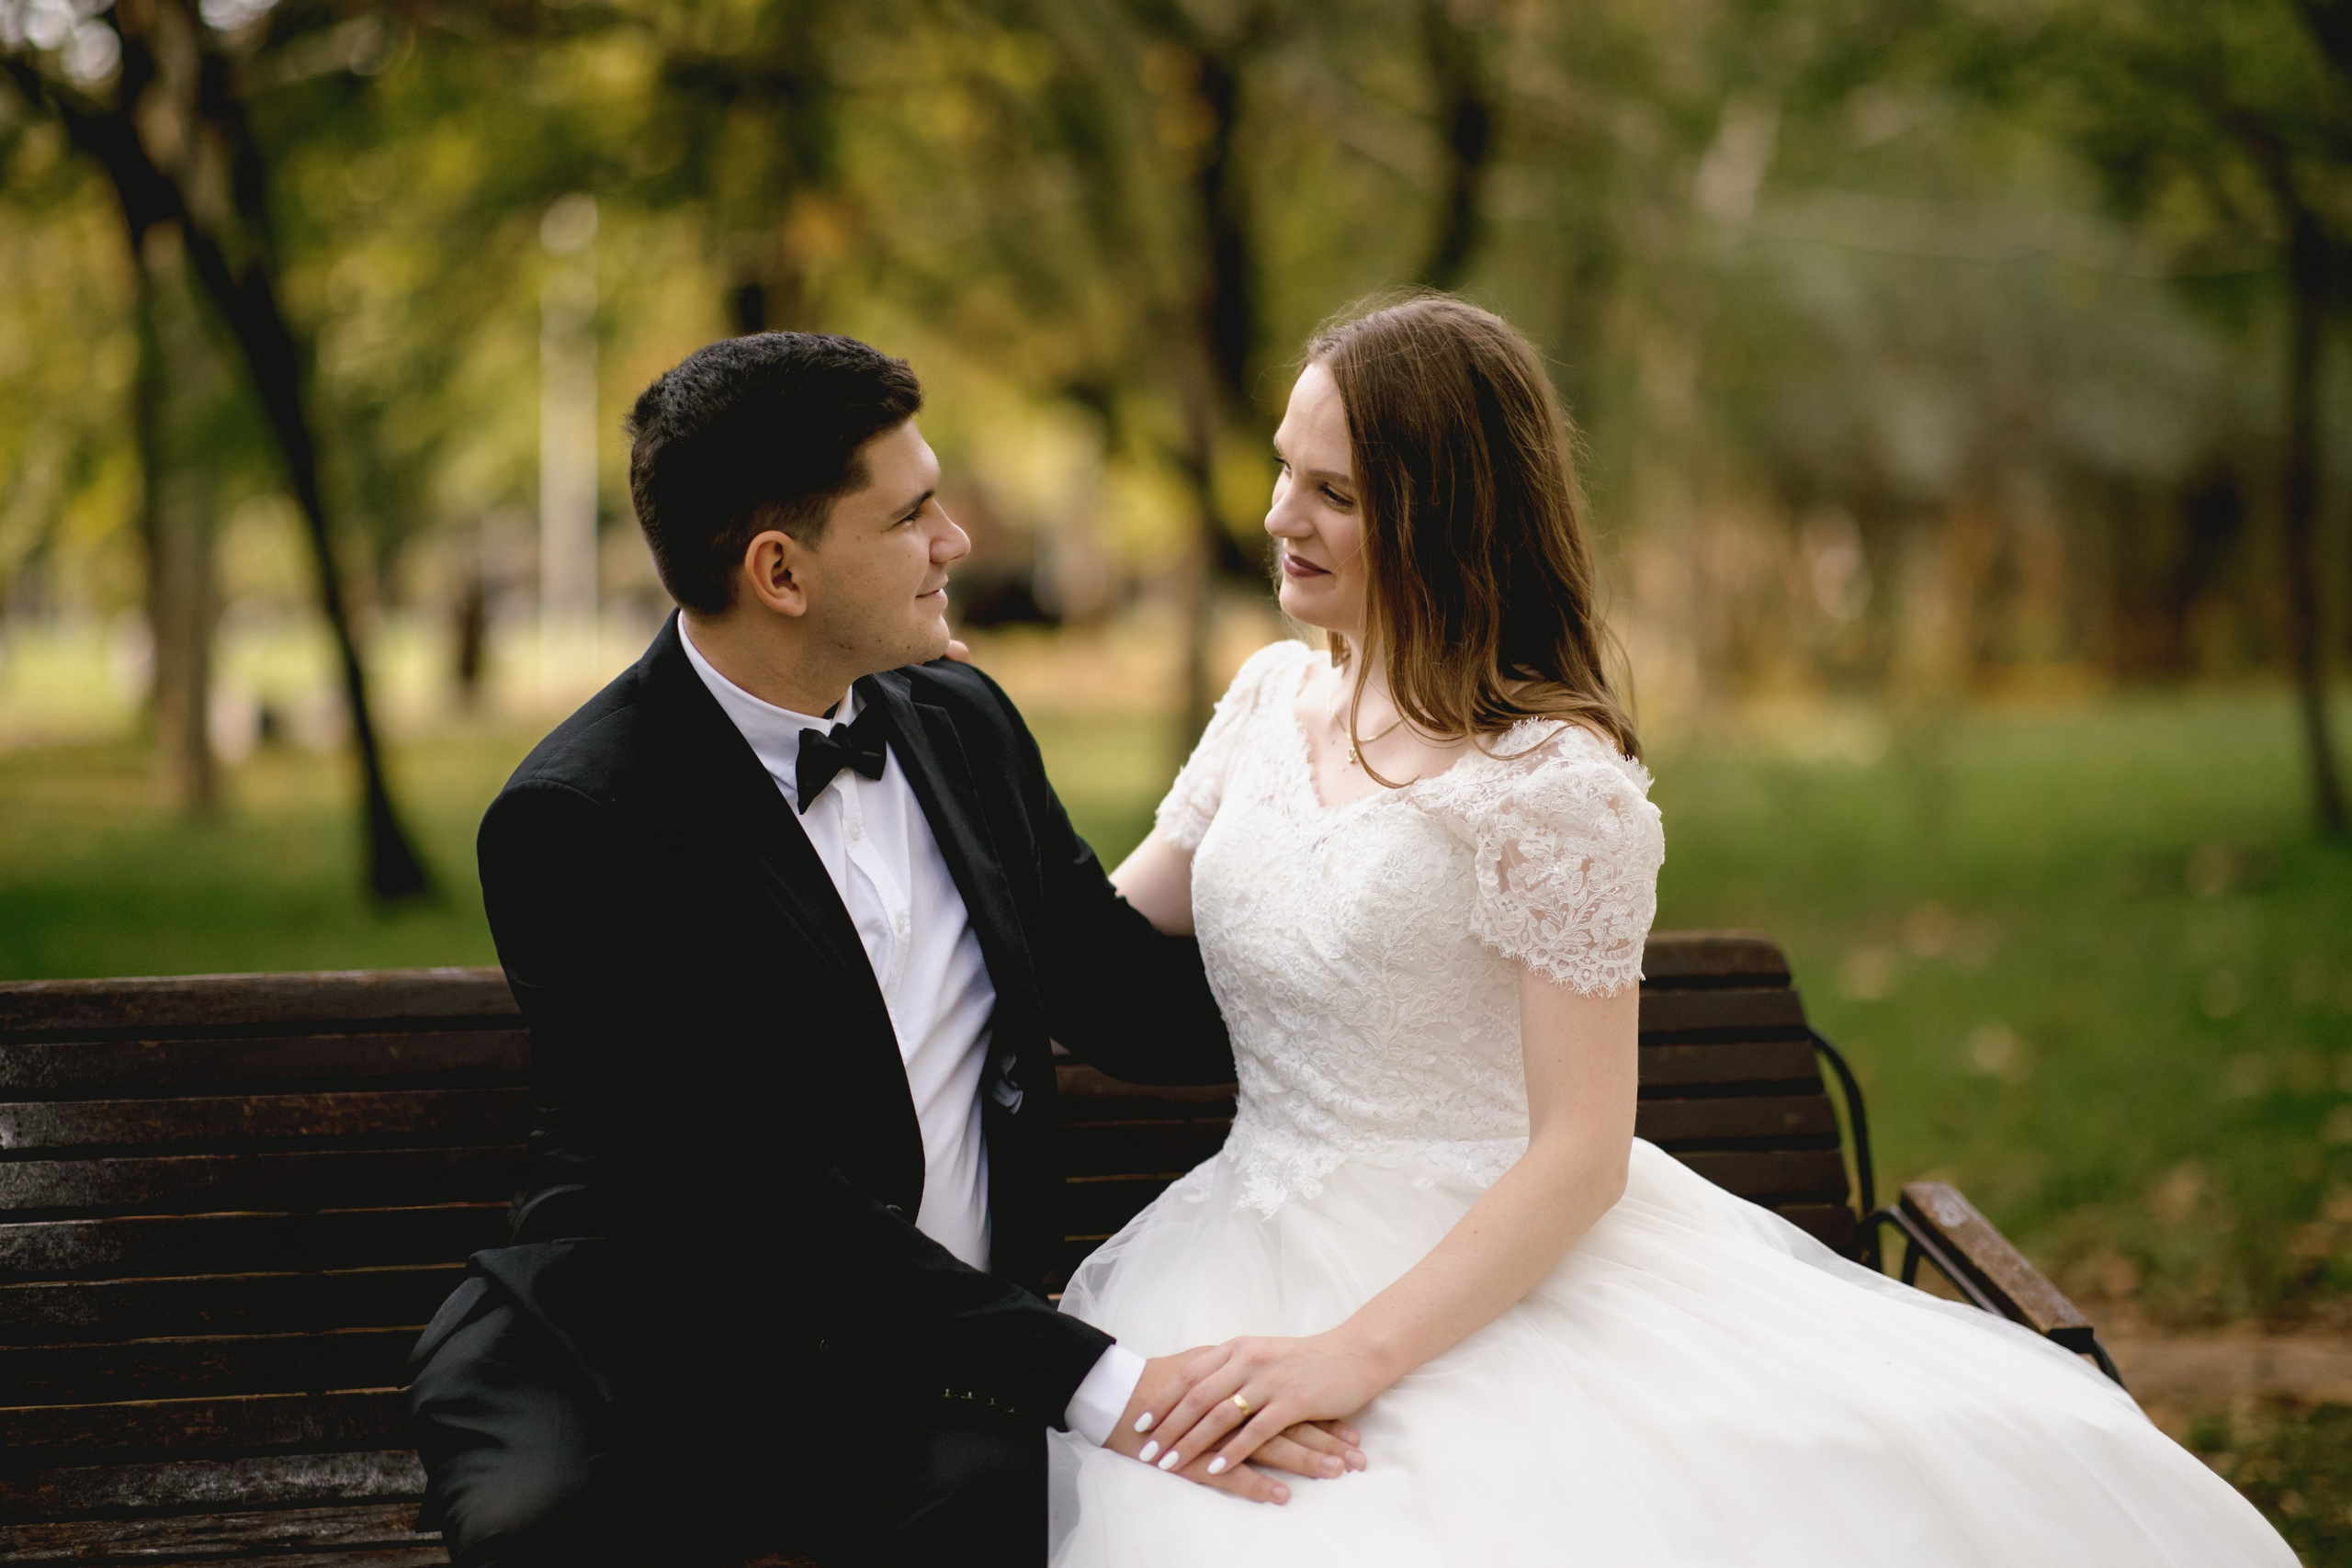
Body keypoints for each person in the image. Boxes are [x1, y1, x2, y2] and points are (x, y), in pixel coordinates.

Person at [1047, 295, 2298, 1565]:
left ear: (1444, 520)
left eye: (1335, 493)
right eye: (1282, 467)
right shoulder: (1267, 701)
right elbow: (1082, 944)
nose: (1276, 516)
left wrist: (1347, 1356)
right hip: (1238, 1242)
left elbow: (1582, 1151)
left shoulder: (1550, 782)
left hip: (1489, 1279)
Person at [405, 332, 1358, 1568]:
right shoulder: (582, 822)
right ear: (781, 574)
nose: (956, 540)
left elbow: (1121, 994)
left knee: (1026, 1505)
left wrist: (1386, 944)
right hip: (632, 1350)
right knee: (560, 1536)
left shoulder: (959, 721)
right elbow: (756, 1196)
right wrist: (1110, 1385)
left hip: (919, 1374)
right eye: (911, 516)